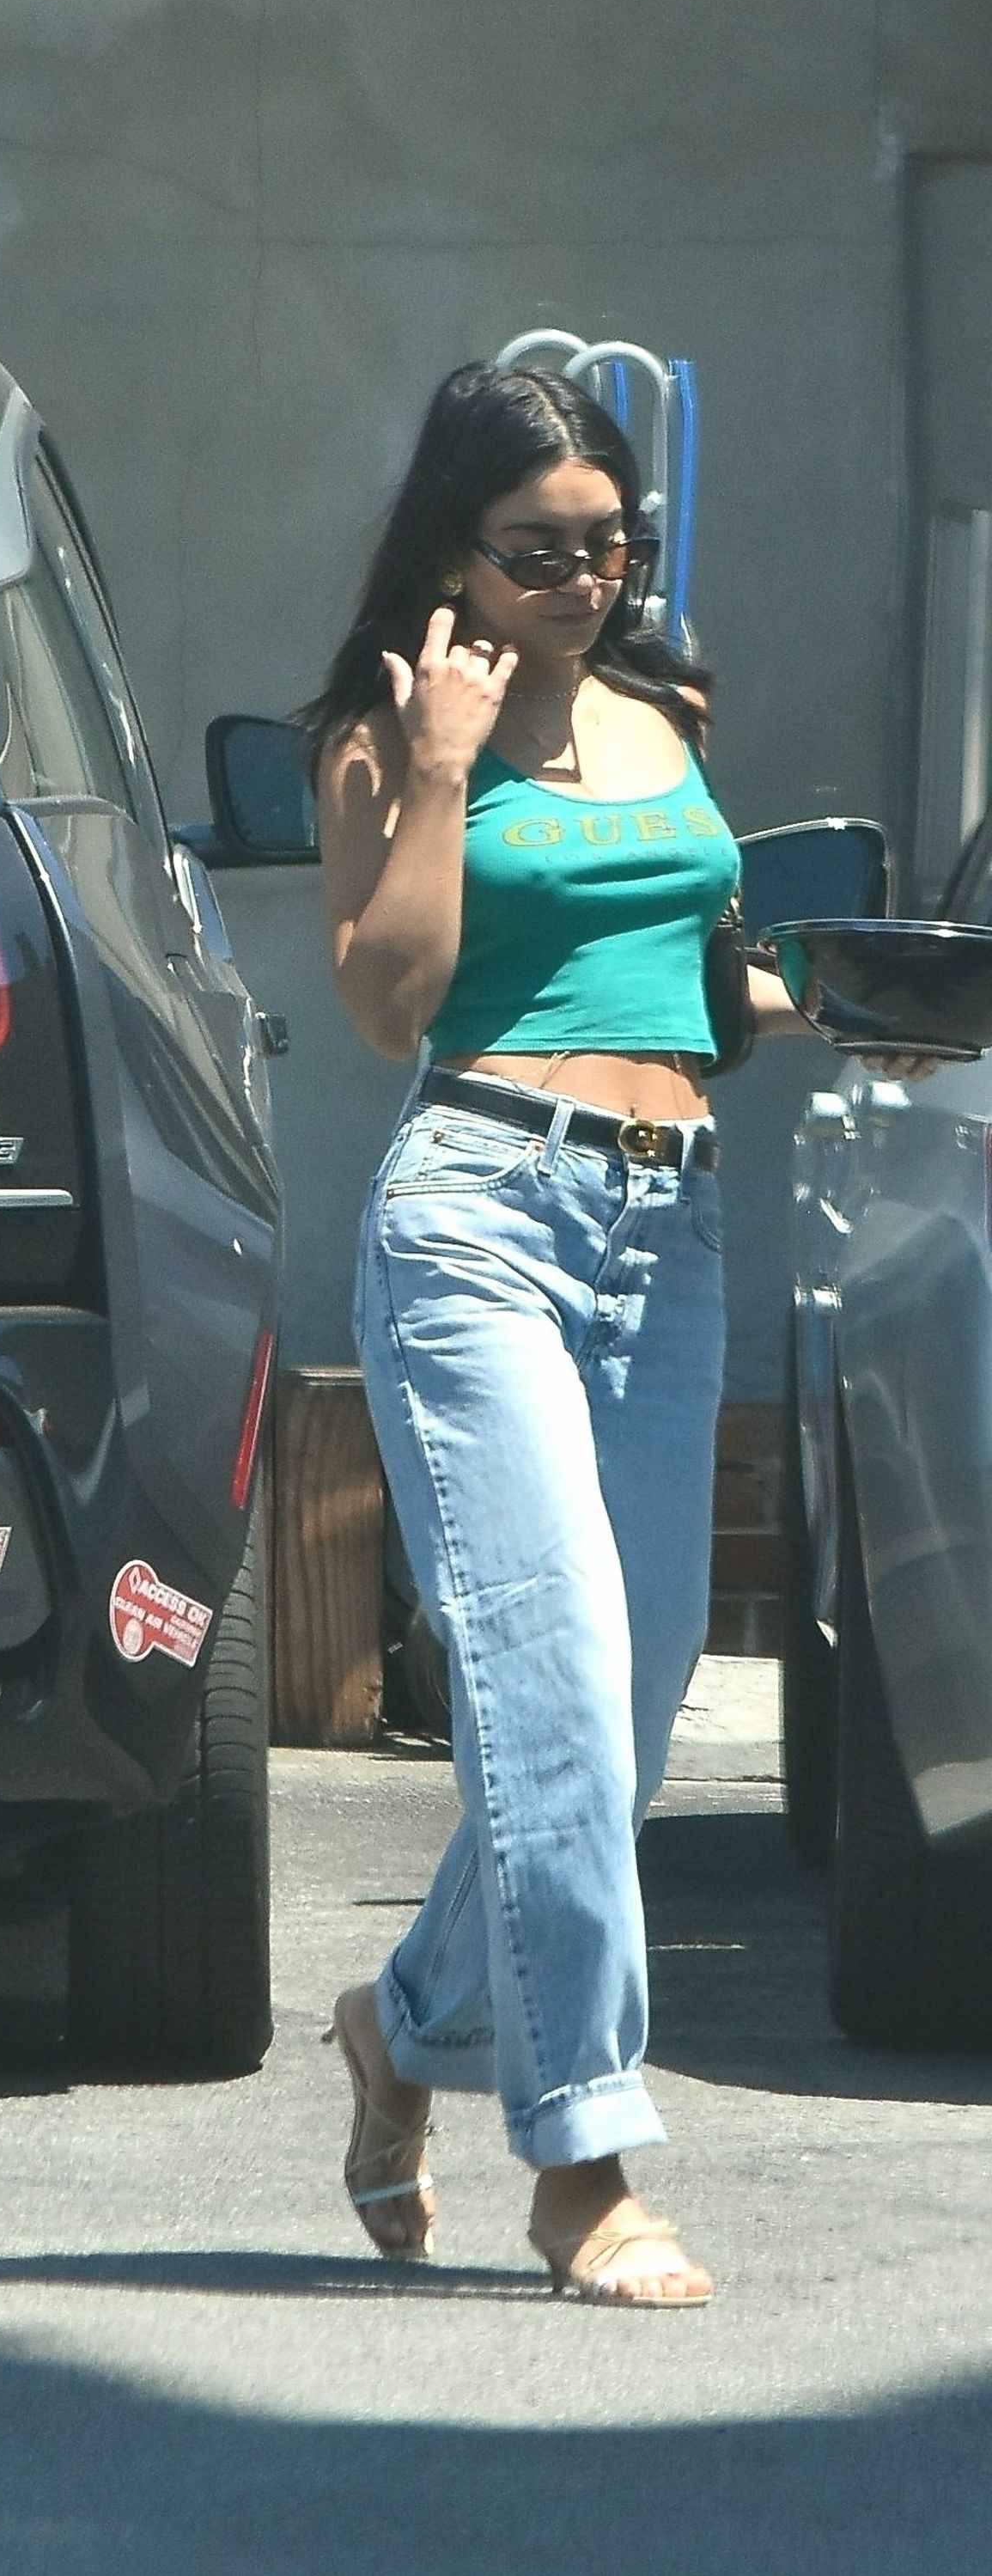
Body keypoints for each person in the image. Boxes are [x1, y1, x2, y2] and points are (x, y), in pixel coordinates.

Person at [305, 360, 886, 2310]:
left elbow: (691, 985)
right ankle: (584, 2163)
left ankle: (400, 2023)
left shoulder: (667, 713)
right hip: (478, 1216)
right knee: (541, 1695)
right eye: (537, 549)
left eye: (607, 544)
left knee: (617, 1728)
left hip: (667, 1227)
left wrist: (846, 1000)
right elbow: (388, 1004)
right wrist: (445, 766)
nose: (581, 578)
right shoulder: (382, 732)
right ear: (453, 547)